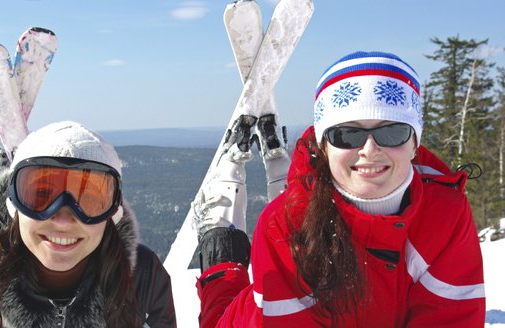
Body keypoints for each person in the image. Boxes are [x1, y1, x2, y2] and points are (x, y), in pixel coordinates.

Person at [194, 51, 486, 327]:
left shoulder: (445, 214)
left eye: (392, 132)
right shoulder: (280, 226)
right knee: (219, 314)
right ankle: (219, 236)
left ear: (414, 144)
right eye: (347, 135)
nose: (370, 150)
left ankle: (287, 184)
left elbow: (450, 319)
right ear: (323, 147)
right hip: (254, 318)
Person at [0, 121, 176, 327]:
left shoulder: (143, 276)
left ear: (113, 213)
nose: (63, 220)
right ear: (14, 205)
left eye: (88, 200)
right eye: (40, 197)